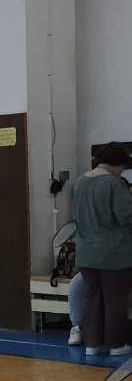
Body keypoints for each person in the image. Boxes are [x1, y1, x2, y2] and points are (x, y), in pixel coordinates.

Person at [70, 142, 132, 358]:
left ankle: (92, 345)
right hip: (114, 253)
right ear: (117, 162)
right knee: (115, 300)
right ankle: (116, 345)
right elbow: (125, 216)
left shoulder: (79, 182)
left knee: (91, 298)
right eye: (122, 166)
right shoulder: (115, 183)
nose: (122, 171)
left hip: (86, 253)